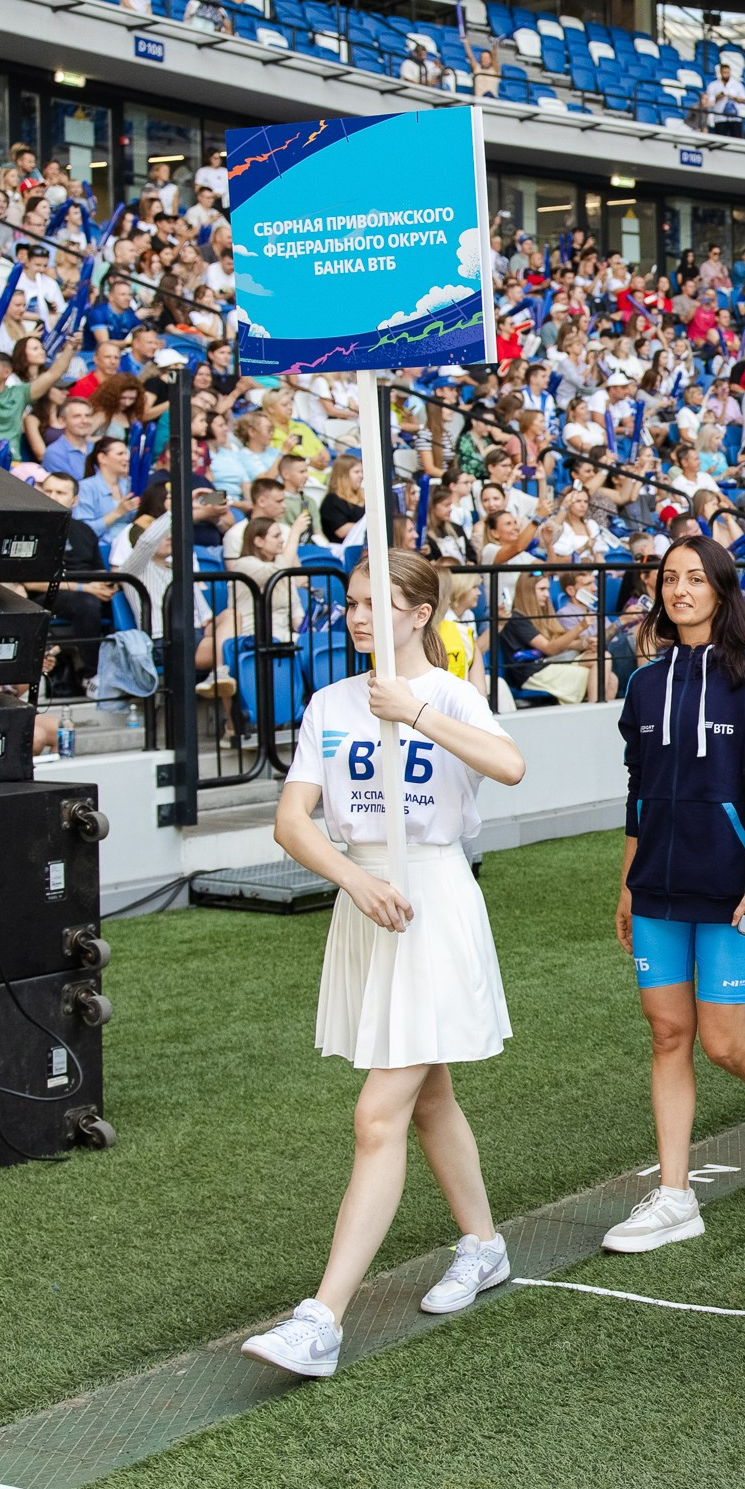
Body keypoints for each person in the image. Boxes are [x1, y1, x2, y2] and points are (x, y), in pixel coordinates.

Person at [242, 552, 528, 1379]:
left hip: (433, 902)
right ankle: (484, 1243)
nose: (358, 616)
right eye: (353, 602)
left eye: (375, 603)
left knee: (378, 1115)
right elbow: (292, 820)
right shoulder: (331, 702)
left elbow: (509, 765)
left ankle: (322, 1318)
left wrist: (418, 711)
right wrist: (354, 878)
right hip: (368, 902)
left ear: (419, 612)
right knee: (429, 1096)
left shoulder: (451, 694)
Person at [601, 535, 745, 1255]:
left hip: (731, 889)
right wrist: (628, 884)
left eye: (696, 578)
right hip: (657, 888)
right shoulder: (644, 682)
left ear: (722, 590)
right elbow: (638, 792)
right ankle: (675, 1194)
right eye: (670, 578)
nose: (680, 590)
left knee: (724, 1043)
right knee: (668, 1034)